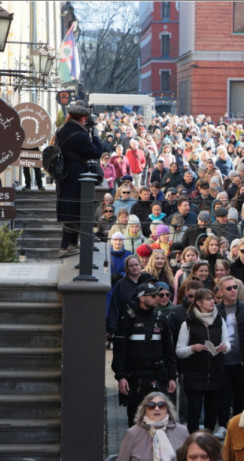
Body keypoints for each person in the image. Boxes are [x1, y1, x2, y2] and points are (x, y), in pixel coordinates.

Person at [112, 282, 178, 426]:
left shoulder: (161, 319)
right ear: (142, 298)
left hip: (157, 376)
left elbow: (169, 351)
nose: (157, 298)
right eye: (153, 295)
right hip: (135, 378)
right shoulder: (128, 319)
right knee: (136, 420)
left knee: (159, 418)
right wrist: (121, 377)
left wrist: (172, 377)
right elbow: (119, 352)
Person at [175, 288, 230, 434]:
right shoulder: (188, 323)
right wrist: (192, 348)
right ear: (199, 303)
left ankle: (208, 444)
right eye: (208, 299)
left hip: (215, 374)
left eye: (213, 298)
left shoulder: (220, 320)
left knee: (211, 415)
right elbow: (179, 351)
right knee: (194, 413)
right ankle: (193, 442)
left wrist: (225, 347)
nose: (213, 301)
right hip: (194, 374)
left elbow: (227, 342)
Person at [56, 100, 103, 257]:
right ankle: (66, 246)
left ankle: (72, 244)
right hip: (77, 176)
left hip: (65, 176)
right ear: (82, 118)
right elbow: (96, 152)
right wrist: (95, 135)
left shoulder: (62, 130)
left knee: (72, 210)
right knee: (77, 210)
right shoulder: (80, 135)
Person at [216, 275, 244, 437]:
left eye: (235, 287)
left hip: (241, 361)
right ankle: (222, 425)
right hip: (222, 361)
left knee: (240, 394)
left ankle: (238, 424)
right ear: (221, 291)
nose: (233, 291)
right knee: (223, 394)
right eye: (229, 288)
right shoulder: (216, 310)